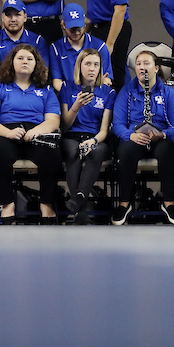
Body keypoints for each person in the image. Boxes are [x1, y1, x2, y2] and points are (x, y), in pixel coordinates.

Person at [0, 45, 62, 224]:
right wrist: (8, 133)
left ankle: (46, 204)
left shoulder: (46, 90)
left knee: (53, 153)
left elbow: (54, 121)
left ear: (36, 64)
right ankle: (7, 204)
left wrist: (36, 131)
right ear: (11, 63)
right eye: (20, 58)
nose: (25, 62)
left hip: (36, 132)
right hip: (5, 132)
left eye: (30, 59)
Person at [111, 50, 174, 226]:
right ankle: (124, 204)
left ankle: (169, 203)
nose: (142, 67)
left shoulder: (168, 93)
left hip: (160, 138)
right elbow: (118, 124)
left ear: (156, 68)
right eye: (138, 64)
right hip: (135, 138)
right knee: (125, 150)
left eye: (146, 63)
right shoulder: (126, 92)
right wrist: (131, 136)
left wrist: (163, 135)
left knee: (167, 149)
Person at [59, 48, 115, 225]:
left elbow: (105, 130)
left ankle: (78, 200)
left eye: (96, 65)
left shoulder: (108, 92)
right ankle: (81, 207)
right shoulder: (67, 87)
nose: (92, 68)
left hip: (95, 137)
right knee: (72, 150)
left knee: (96, 152)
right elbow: (64, 125)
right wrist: (76, 107)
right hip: (72, 136)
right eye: (88, 63)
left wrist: (93, 141)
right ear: (79, 66)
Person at [49, 3, 112, 92]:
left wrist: (87, 93)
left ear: (85, 23)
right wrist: (74, 95)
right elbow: (57, 82)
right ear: (63, 25)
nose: (76, 32)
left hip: (95, 95)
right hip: (68, 96)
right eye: (72, 29)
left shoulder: (99, 46)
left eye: (79, 28)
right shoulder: (56, 48)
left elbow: (106, 79)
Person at [0, 0, 47, 82]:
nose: (13, 19)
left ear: (25, 17)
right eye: (8, 15)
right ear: (3, 17)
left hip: (31, 90)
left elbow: (43, 74)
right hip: (3, 90)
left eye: (17, 15)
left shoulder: (38, 41)